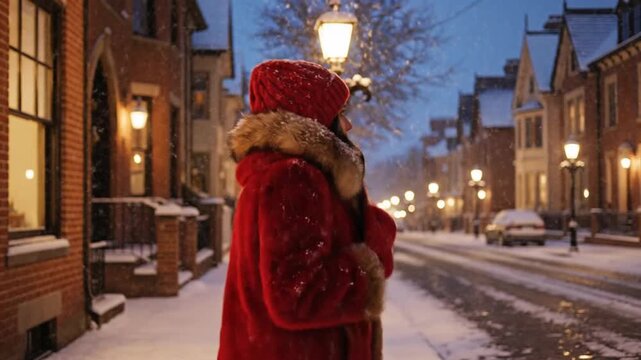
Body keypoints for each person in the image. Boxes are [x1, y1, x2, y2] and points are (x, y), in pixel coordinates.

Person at [219, 59, 396, 360]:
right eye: (339, 114)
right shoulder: (293, 178)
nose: (348, 125)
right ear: (315, 120)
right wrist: (370, 256)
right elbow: (298, 295)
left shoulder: (281, 175)